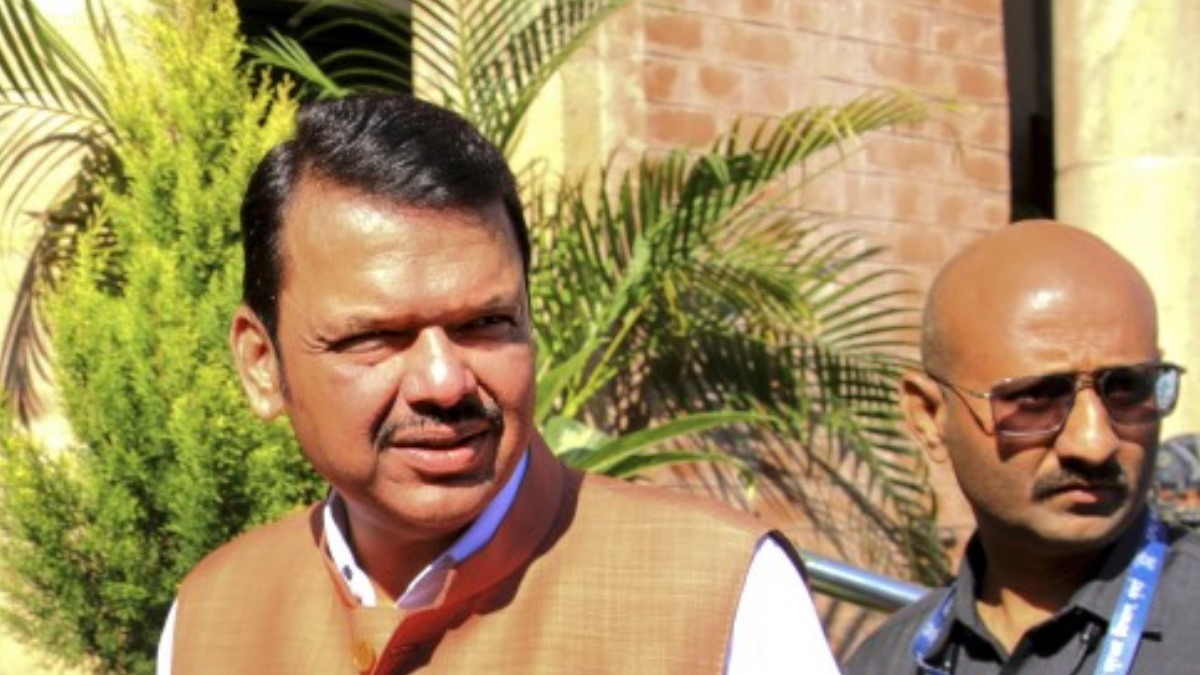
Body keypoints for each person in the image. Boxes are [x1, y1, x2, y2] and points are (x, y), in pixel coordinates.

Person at [155, 94, 838, 674]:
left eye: (485, 323)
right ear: (262, 363)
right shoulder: (212, 621)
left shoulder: (720, 596)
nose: (444, 381)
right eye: (376, 337)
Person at [844, 220, 1199, 674]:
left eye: (1127, 388)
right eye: (1035, 398)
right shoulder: (887, 663)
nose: (1094, 443)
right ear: (930, 417)